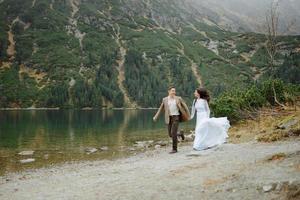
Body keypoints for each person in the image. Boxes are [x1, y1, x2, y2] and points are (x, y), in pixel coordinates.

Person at [153, 86, 190, 154]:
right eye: (172, 91)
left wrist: (188, 115)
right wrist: (156, 116)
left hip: (176, 117)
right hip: (168, 118)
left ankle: (174, 149)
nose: (174, 92)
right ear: (169, 91)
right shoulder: (165, 99)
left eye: (174, 91)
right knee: (170, 134)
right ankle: (180, 134)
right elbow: (161, 108)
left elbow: (185, 106)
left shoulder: (178, 98)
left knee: (173, 133)